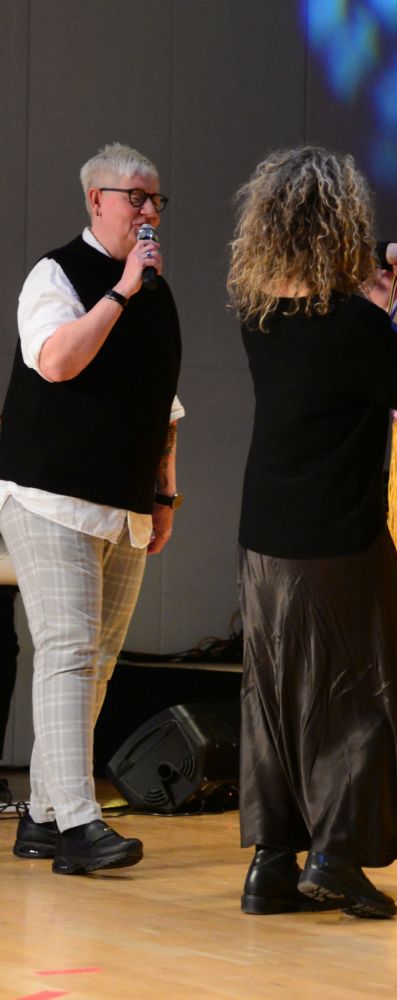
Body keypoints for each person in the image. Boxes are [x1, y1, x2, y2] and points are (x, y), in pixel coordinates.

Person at [229, 146, 397, 920]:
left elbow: (346, 354)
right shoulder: (352, 325)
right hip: (336, 536)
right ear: (341, 226)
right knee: (368, 694)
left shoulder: (261, 316)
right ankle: (336, 859)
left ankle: (272, 865)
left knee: (278, 700)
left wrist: (378, 277)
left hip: (264, 538)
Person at [0, 142, 183, 875]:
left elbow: (164, 404)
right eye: (134, 197)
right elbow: (56, 361)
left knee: (99, 664)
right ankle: (79, 824)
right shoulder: (58, 273)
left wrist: (165, 491)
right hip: (51, 495)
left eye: (155, 199)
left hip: (124, 503)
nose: (148, 211)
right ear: (95, 200)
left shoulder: (156, 293)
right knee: (70, 652)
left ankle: (44, 816)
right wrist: (121, 292)